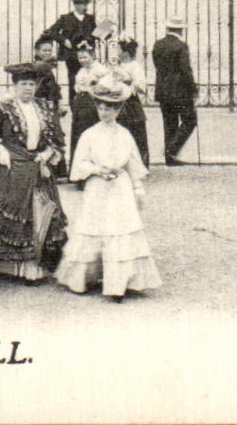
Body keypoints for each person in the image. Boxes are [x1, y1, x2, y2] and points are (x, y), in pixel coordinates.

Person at [53, 72, 161, 302]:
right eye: (101, 108)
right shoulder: (88, 135)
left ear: (118, 110)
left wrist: (137, 187)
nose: (104, 113)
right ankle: (84, 277)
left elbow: (133, 163)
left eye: (110, 109)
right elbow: (78, 166)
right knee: (94, 228)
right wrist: (95, 170)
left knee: (119, 230)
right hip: (97, 188)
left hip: (119, 189)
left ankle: (119, 282)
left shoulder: (125, 135)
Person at [0, 62, 68, 283]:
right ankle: (12, 267)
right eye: (23, 84)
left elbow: (57, 139)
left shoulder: (44, 108)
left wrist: (47, 154)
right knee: (17, 216)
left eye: (31, 84)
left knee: (41, 212)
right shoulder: (3, 108)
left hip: (37, 167)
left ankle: (37, 267)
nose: (28, 88)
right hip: (12, 170)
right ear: (15, 86)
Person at [153, 17, 198, 166]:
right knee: (190, 121)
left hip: (162, 91)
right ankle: (171, 150)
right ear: (181, 30)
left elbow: (157, 66)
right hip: (180, 92)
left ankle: (170, 158)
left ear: (168, 29)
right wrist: (193, 88)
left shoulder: (157, 45)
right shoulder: (181, 46)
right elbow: (186, 70)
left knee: (169, 124)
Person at [112, 36, 152, 168]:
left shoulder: (135, 66)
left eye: (118, 49)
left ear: (126, 52)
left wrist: (128, 81)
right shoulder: (118, 65)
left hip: (131, 105)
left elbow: (142, 87)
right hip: (118, 102)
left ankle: (140, 164)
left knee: (136, 133)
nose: (116, 52)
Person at [44, 0, 97, 93]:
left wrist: (88, 40)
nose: (85, 7)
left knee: (89, 79)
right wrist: (63, 41)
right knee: (74, 80)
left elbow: (95, 34)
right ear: (76, 5)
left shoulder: (90, 19)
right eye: (82, 4)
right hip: (71, 55)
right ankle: (74, 106)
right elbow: (51, 31)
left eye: (86, 4)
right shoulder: (66, 18)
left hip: (87, 53)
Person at [68, 38, 109, 162]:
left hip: (93, 103)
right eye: (80, 58)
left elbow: (106, 86)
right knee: (79, 133)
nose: (82, 60)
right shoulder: (81, 71)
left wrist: (94, 86)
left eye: (85, 57)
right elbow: (76, 87)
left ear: (92, 56)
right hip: (81, 103)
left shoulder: (100, 69)